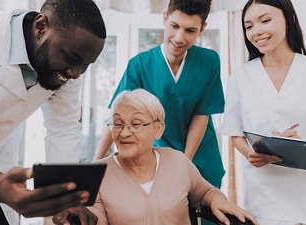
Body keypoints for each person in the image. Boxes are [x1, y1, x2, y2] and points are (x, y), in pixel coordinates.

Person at [0, 0, 106, 224]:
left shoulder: (67, 67)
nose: (76, 73)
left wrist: (67, 199)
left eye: (86, 65)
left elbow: (63, 127)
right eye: (72, 59)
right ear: (41, 27)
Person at [94, 2, 225, 224]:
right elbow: (118, 115)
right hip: (155, 161)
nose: (179, 37)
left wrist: (184, 165)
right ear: (165, 17)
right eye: (174, 26)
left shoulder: (209, 61)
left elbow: (202, 114)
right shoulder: (140, 65)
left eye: (190, 30)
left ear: (202, 28)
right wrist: (94, 168)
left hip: (200, 158)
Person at [53, 89, 257, 225]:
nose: (124, 133)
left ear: (158, 129)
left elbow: (204, 191)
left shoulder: (177, 161)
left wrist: (218, 200)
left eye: (136, 124)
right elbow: (94, 218)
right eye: (118, 124)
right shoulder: (97, 174)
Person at [222, 0, 306, 224]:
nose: (256, 31)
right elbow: (235, 133)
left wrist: (297, 149)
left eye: (265, 20)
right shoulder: (241, 77)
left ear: (289, 19)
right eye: (249, 25)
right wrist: (251, 154)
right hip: (265, 200)